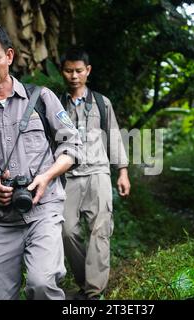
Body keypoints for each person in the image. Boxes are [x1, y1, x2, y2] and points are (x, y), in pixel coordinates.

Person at [0, 23, 82, 300]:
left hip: (43, 212)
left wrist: (46, 177)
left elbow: (73, 145)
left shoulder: (42, 99)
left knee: (42, 285)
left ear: (9, 56)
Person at [60, 47, 131, 300]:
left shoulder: (102, 102)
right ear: (63, 71)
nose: (74, 76)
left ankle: (94, 293)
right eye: (69, 70)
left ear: (88, 71)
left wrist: (122, 172)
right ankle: (84, 281)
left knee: (100, 230)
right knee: (66, 231)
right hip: (67, 177)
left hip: (99, 173)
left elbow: (114, 137)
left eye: (79, 70)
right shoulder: (56, 104)